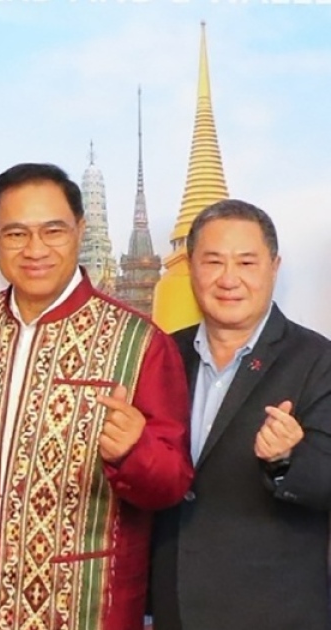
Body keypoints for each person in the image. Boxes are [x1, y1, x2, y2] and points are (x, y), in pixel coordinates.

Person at [0, 163, 193, 630]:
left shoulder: (138, 342)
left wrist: (135, 451)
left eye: (53, 231)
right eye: (16, 234)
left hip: (84, 606)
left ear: (80, 230)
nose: (35, 250)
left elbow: (172, 484)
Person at [149, 200, 331, 630]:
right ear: (190, 267)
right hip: (174, 607)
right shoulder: (162, 354)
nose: (229, 278)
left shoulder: (317, 359)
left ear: (274, 267)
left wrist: (286, 459)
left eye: (246, 262)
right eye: (213, 261)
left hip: (273, 612)